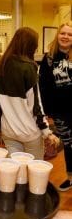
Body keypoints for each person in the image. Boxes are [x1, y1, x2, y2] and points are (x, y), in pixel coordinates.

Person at [0, 27, 59, 160]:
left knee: (16, 171)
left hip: (8, 130)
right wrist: (47, 132)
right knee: (34, 171)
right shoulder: (29, 68)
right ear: (31, 45)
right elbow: (36, 105)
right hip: (29, 132)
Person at [39, 21, 72, 191]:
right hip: (60, 113)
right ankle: (70, 177)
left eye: (69, 34)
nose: (66, 36)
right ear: (58, 35)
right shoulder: (49, 58)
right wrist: (45, 112)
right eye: (63, 33)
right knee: (67, 144)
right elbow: (42, 86)